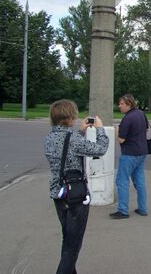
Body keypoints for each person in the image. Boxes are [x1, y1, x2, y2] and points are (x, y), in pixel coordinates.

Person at [44, 99, 109, 274]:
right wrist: (100, 129)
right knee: (73, 244)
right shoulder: (73, 139)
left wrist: (80, 131)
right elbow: (100, 149)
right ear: (70, 118)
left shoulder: (49, 137)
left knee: (68, 238)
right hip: (76, 195)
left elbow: (67, 150)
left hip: (59, 193)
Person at [110, 94, 149, 219]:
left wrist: (117, 130)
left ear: (129, 104)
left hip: (129, 154)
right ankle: (143, 208)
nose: (119, 106)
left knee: (122, 181)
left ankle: (123, 211)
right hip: (142, 152)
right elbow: (146, 129)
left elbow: (121, 140)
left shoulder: (127, 118)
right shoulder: (141, 114)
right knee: (140, 181)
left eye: (122, 104)